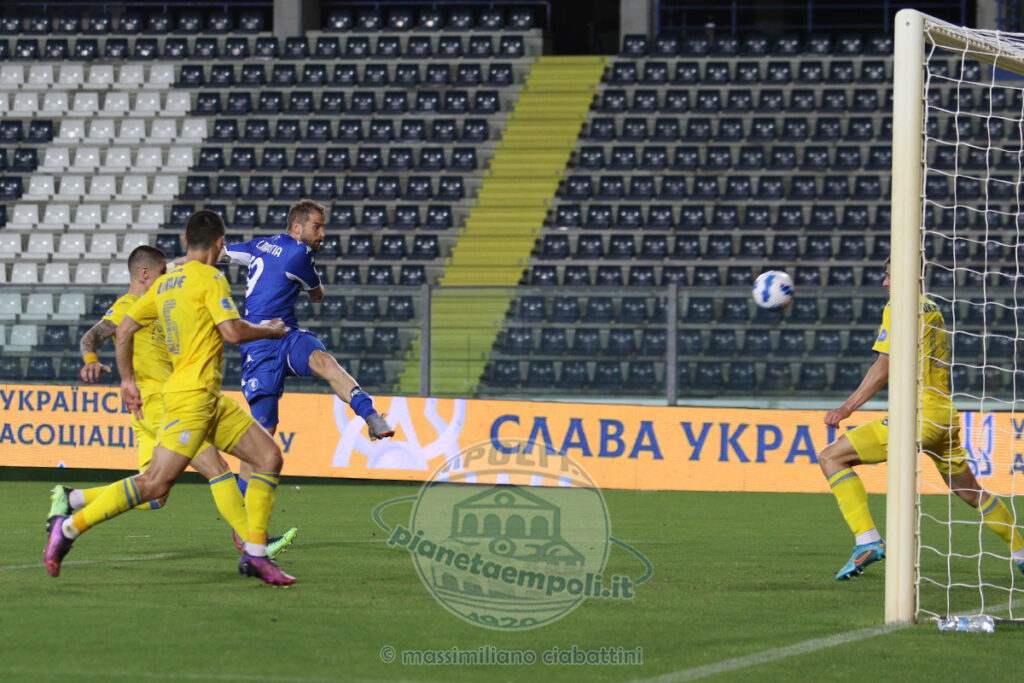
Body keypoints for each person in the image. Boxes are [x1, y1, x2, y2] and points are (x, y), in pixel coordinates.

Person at [45, 210, 295, 585]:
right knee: (155, 485)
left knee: (268, 456)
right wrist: (268, 330)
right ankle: (68, 528)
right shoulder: (210, 278)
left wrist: (126, 381)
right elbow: (231, 332)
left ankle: (255, 554)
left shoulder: (164, 285)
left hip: (204, 398)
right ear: (219, 244)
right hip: (187, 400)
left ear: (184, 241)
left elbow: (125, 330)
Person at [819, 258, 1024, 580]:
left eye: (889, 275)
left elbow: (884, 364)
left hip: (918, 416)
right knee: (970, 491)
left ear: (906, 276)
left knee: (831, 457)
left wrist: (846, 408)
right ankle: (1021, 553)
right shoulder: (932, 307)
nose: (885, 283)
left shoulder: (899, 307)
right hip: (945, 415)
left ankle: (867, 540)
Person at [222, 198, 393, 503]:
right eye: (317, 227)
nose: (322, 234)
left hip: (286, 336)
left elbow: (220, 253)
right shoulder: (300, 254)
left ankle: (371, 416)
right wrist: (315, 287)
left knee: (323, 360)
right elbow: (317, 295)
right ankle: (243, 508)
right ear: (297, 227)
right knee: (262, 434)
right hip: (260, 346)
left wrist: (178, 265)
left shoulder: (258, 245)